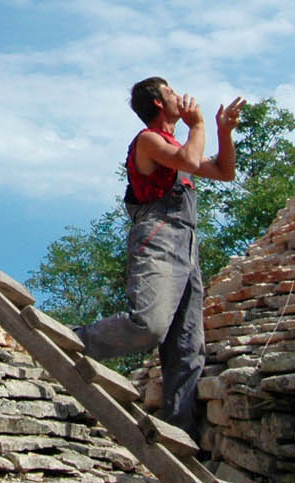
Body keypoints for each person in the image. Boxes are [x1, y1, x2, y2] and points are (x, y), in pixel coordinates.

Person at [77, 79, 245, 439]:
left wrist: (222, 131)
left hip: (186, 242)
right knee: (149, 326)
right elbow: (188, 159)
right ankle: (74, 341)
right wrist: (198, 125)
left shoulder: (176, 144)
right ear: (156, 102)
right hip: (158, 234)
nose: (179, 96)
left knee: (187, 347)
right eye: (171, 92)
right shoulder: (148, 141)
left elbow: (224, 172)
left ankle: (178, 436)